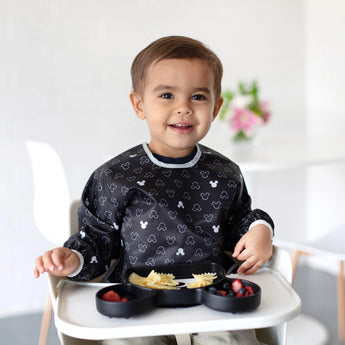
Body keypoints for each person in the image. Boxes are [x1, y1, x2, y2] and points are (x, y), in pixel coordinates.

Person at [34, 36, 273, 345]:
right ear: (139, 104)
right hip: (138, 301)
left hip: (212, 299)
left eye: (198, 97)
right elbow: (95, 239)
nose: (183, 108)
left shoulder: (225, 173)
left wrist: (260, 229)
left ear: (216, 107)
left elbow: (241, 220)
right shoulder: (115, 177)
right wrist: (73, 258)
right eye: (167, 95)